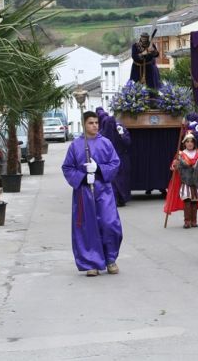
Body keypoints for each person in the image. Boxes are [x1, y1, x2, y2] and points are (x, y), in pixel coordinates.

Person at [61, 111, 122, 277]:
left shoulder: (106, 143)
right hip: (84, 193)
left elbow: (115, 162)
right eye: (91, 123)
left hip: (104, 191)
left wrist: (99, 169)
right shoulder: (75, 145)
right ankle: (91, 262)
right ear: (84, 124)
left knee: (110, 224)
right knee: (88, 227)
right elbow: (67, 167)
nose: (95, 125)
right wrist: (82, 176)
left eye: (96, 122)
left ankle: (110, 259)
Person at [96, 107, 131, 207]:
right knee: (114, 180)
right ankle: (116, 199)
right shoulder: (101, 132)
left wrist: (122, 135)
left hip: (120, 158)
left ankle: (121, 198)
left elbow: (127, 142)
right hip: (111, 160)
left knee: (119, 180)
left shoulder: (119, 128)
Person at [170, 130, 198, 228]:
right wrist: (175, 164)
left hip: (196, 182)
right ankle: (187, 221)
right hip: (186, 181)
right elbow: (173, 167)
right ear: (184, 143)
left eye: (191, 141)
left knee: (194, 201)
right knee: (187, 200)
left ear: (194, 143)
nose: (189, 143)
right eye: (187, 141)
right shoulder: (180, 154)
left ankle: (194, 221)